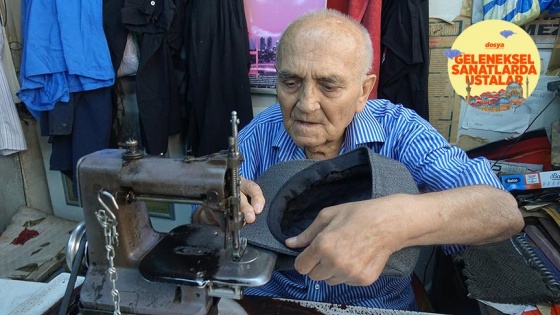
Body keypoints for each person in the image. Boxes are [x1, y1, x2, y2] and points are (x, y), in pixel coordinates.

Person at [227, 9, 523, 311]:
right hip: (274, 304)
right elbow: (206, 220)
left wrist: (398, 219)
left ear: (363, 91)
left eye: (329, 86)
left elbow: (502, 211)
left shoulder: (400, 130)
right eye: (291, 82)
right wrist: (219, 211)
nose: (306, 104)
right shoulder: (260, 132)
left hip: (377, 307)